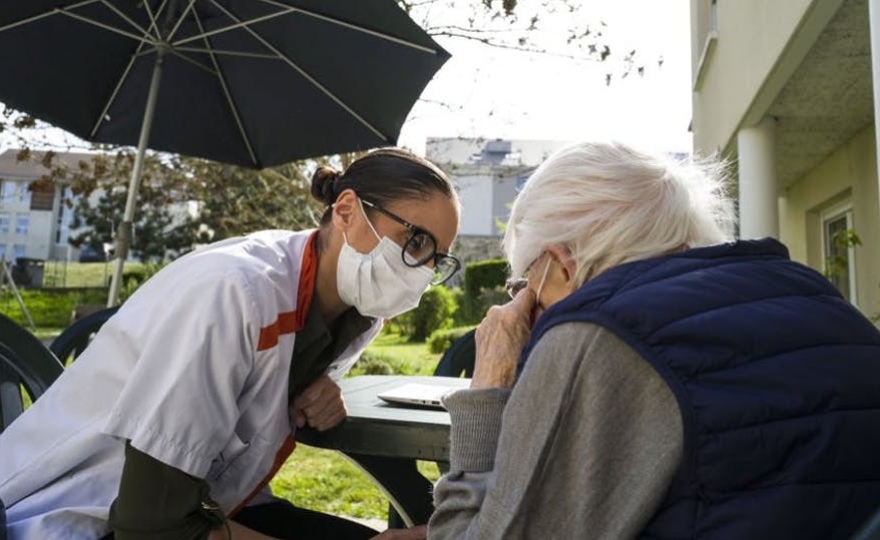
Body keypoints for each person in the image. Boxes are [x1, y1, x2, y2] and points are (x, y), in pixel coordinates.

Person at [0, 148, 460, 540]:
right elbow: (151, 527)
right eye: (414, 240)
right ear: (345, 211)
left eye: (436, 259)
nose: (421, 269)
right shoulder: (232, 291)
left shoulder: (357, 314)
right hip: (76, 518)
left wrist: (314, 387)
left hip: (211, 503)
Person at [427, 141, 880, 539]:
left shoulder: (598, 333)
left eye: (525, 286)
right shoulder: (814, 293)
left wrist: (489, 385)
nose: (526, 308)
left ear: (560, 263)